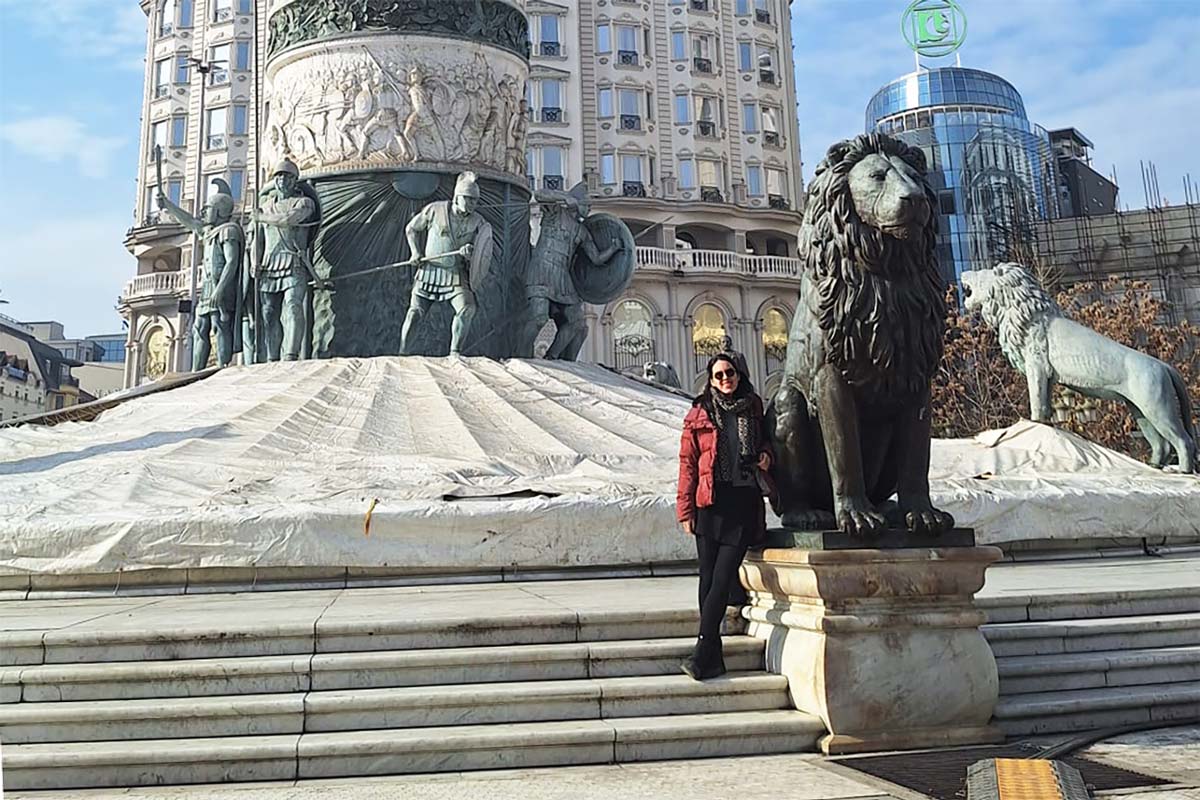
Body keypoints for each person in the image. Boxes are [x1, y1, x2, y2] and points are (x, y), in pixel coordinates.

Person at [676, 353, 773, 680]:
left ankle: (704, 647)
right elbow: (688, 463)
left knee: (721, 576)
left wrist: (766, 457)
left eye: (729, 373)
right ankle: (711, 651)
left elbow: (771, 444)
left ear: (739, 374)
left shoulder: (754, 407)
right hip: (710, 502)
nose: (725, 380)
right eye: (718, 375)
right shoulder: (700, 412)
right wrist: (685, 509)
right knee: (708, 578)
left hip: (742, 502)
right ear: (710, 379)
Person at [400, 171, 494, 356]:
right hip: (429, 272)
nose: (473, 204)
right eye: (469, 199)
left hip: (455, 274)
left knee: (467, 308)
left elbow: (481, 252)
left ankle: (455, 353)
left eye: (475, 200)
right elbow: (411, 228)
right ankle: (402, 353)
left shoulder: (478, 222)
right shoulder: (435, 210)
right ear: (458, 197)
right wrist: (416, 252)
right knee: (415, 314)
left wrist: (470, 253)